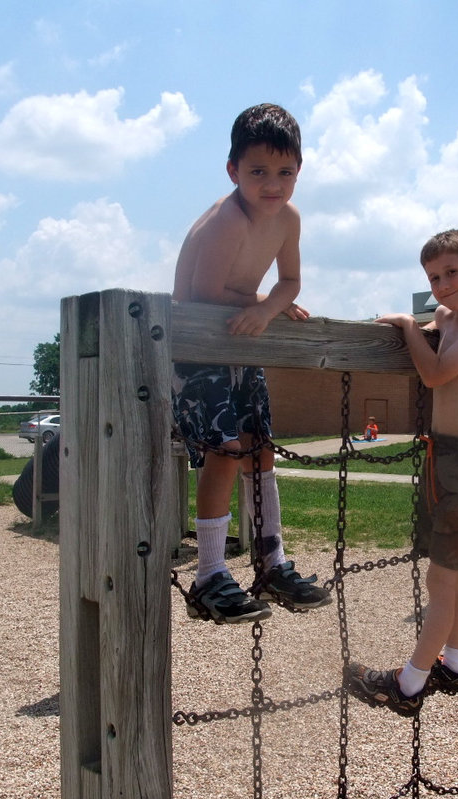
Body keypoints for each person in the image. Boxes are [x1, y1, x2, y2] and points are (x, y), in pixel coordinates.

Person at [171, 102, 330, 625]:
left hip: (241, 341)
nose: (272, 184)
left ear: (299, 171)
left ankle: (270, 559)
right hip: (203, 348)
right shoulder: (226, 221)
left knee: (260, 451)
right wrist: (263, 307)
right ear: (233, 170)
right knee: (225, 452)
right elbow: (205, 293)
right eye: (258, 171)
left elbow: (290, 281)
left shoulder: (288, 219)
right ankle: (210, 572)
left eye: (285, 172)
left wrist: (271, 306)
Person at [344, 229, 458, 716]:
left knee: (441, 580)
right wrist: (423, 323)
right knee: (451, 576)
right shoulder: (444, 317)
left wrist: (404, 324)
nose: (442, 285)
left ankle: (408, 685)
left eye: (452, 273)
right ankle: (454, 664)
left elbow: (436, 374)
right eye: (433, 277)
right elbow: (438, 333)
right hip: (442, 459)